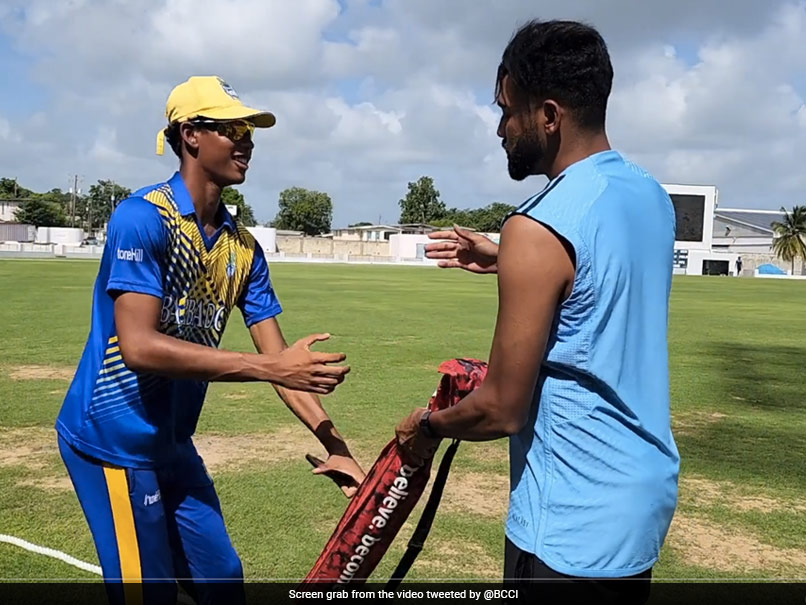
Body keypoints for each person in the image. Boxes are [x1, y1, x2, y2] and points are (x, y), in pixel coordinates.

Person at [396, 20, 679, 604]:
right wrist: (506, 258)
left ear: (549, 115)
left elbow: (500, 409)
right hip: (639, 497)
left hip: (570, 515)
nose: (500, 129)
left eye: (507, 111)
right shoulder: (648, 194)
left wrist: (425, 429)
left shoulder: (537, 226)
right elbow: (598, 284)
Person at [55, 76, 365, 605]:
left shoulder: (243, 249)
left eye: (249, 131)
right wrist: (271, 368)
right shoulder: (143, 218)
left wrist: (338, 449)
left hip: (172, 444)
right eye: (231, 129)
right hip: (112, 443)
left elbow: (281, 362)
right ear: (190, 135)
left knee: (222, 579)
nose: (247, 142)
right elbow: (138, 347)